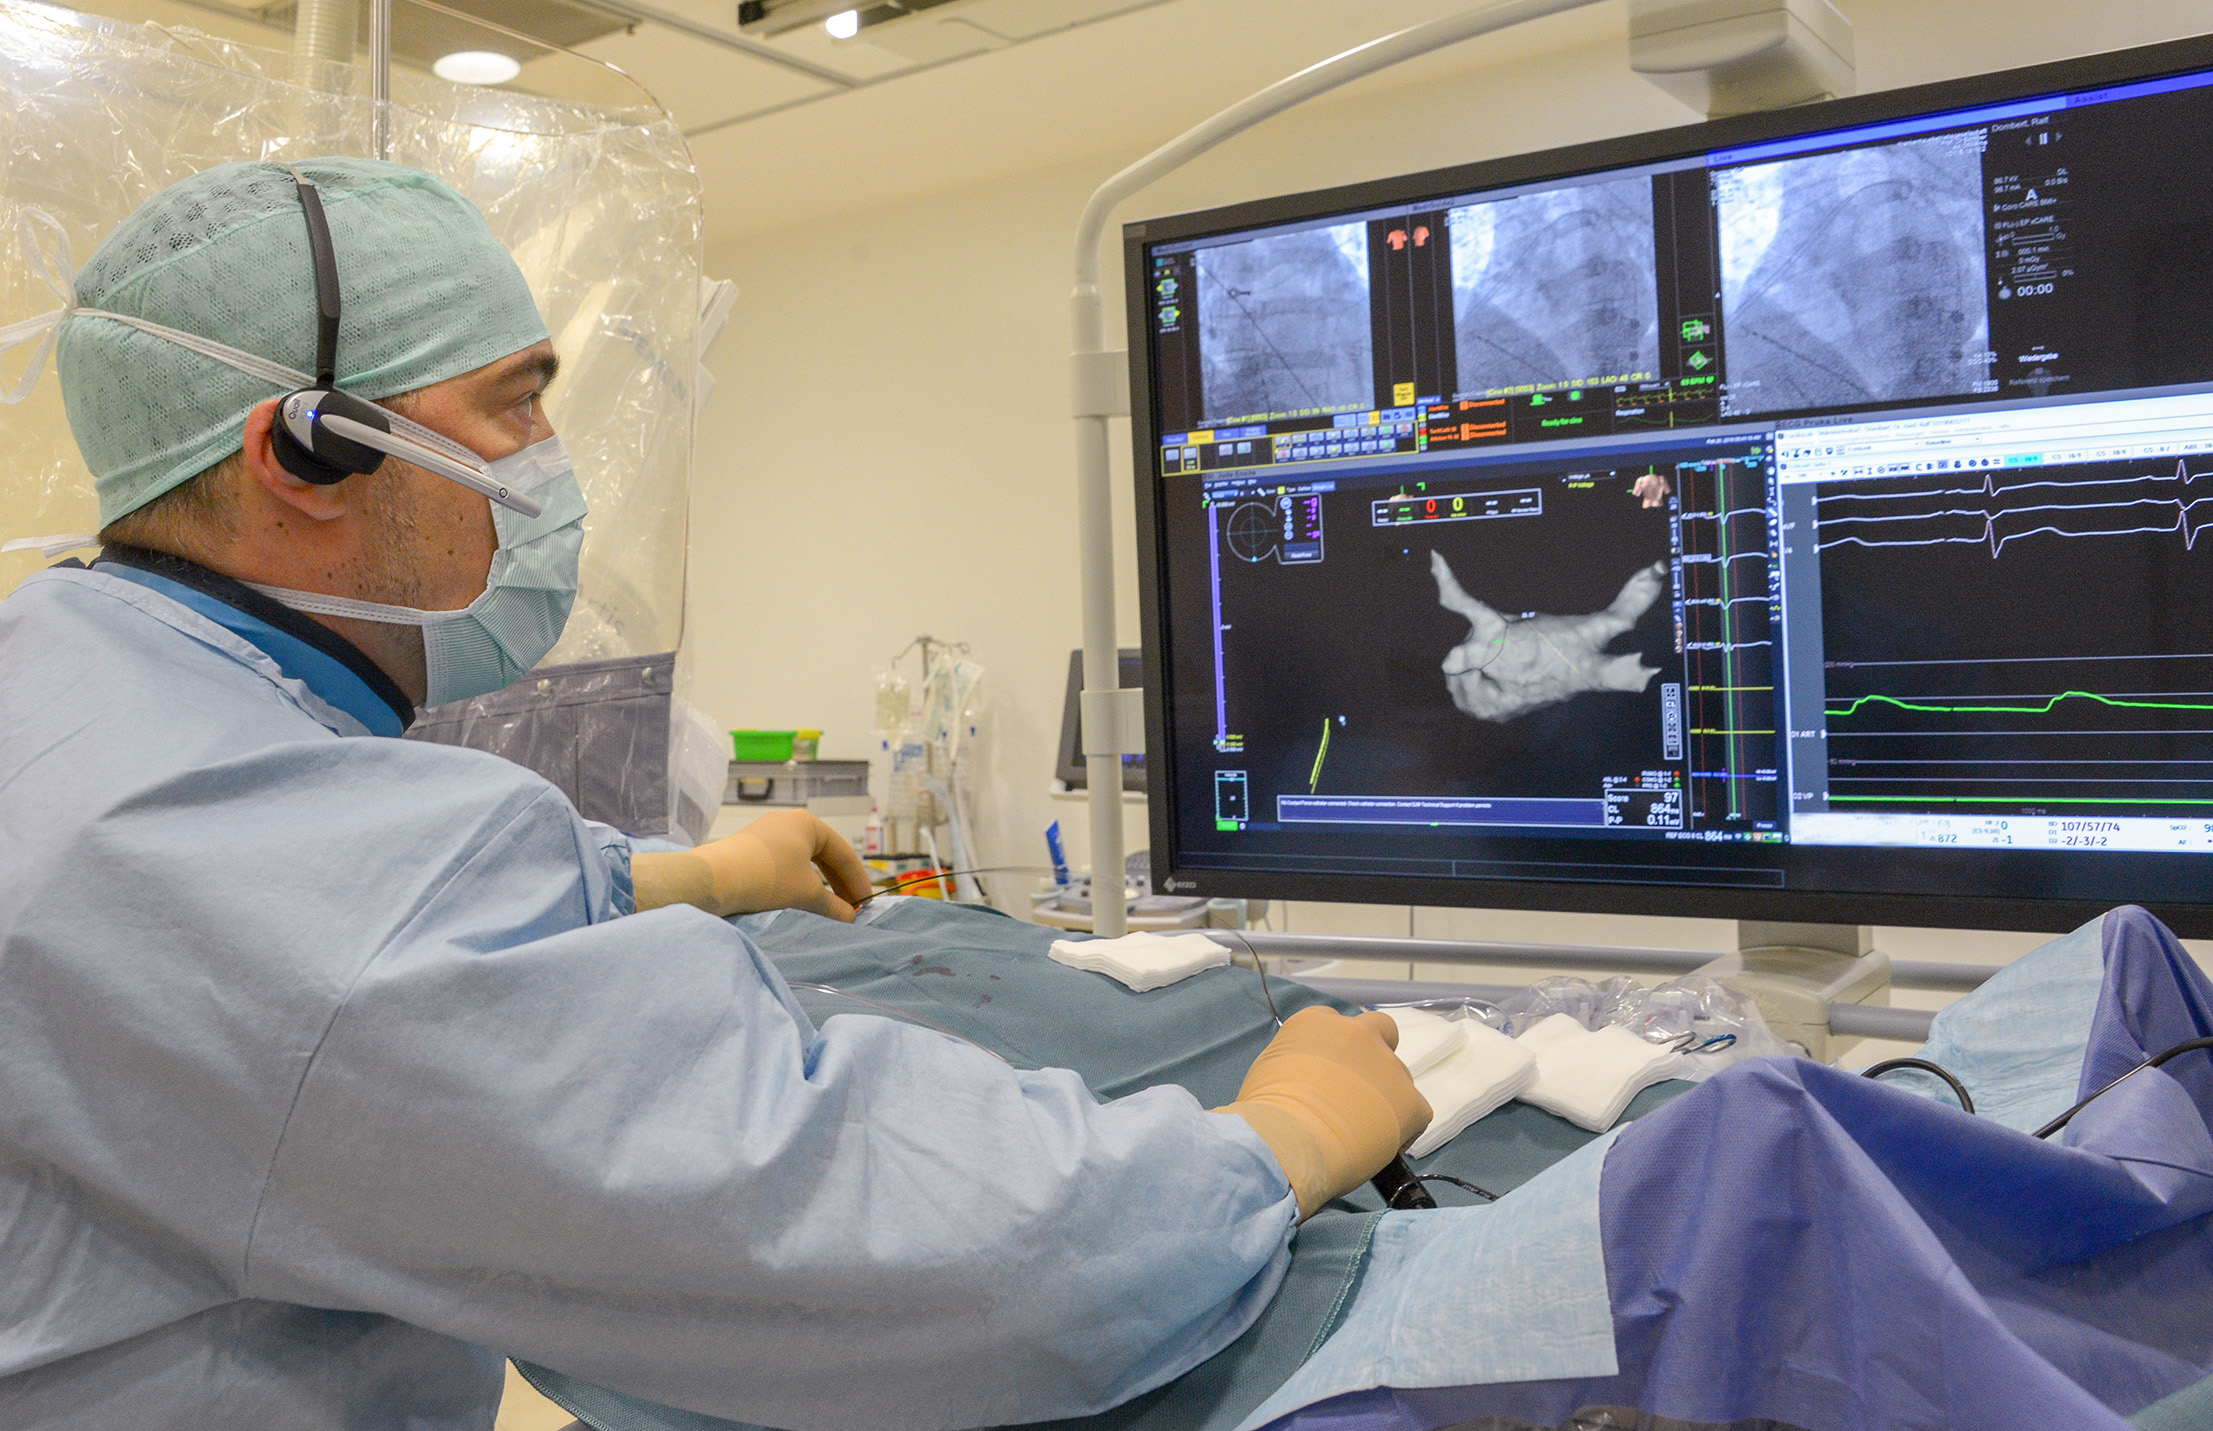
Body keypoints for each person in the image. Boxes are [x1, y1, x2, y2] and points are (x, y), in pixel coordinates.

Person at [0, 158, 1428, 1431]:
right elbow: (953, 1271)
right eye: (515, 403)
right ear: (304, 455)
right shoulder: (305, 905)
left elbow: (315, 904)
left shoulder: (62, 676)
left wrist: (687, 873)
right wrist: (1284, 1136)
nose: (548, 464)